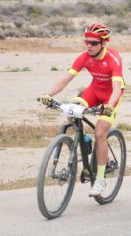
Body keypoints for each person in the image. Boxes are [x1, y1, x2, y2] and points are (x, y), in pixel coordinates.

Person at [39, 23, 124, 197]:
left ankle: (100, 179)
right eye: (87, 42)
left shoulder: (113, 59)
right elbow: (66, 79)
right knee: (70, 111)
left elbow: (116, 88)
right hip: (94, 90)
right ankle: (83, 140)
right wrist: (48, 94)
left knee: (100, 133)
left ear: (103, 43)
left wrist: (109, 105)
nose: (89, 46)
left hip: (111, 96)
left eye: (93, 43)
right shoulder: (84, 57)